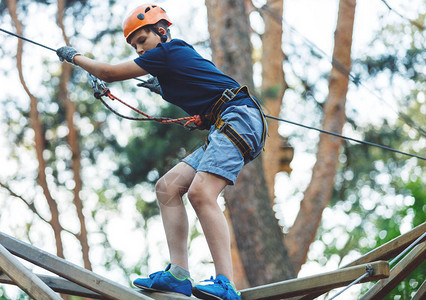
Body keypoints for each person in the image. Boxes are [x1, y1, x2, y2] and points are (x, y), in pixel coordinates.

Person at [57, 3, 267, 300]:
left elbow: (109, 72)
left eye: (142, 41)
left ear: (161, 30)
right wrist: (203, 118)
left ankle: (226, 283)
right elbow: (206, 90)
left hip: (239, 116)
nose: (140, 51)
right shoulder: (167, 68)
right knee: (167, 188)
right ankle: (178, 274)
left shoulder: (169, 52)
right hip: (224, 121)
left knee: (201, 193)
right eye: (135, 47)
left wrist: (73, 56)